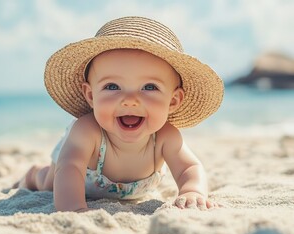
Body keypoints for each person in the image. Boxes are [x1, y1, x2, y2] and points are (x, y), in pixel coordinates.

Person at [13, 16, 224, 212]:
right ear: (91, 95)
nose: (130, 99)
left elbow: (189, 167)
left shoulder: (165, 137)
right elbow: (70, 167)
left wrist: (192, 191)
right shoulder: (87, 131)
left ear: (173, 100)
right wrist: (73, 208)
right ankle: (32, 174)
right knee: (47, 182)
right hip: (68, 173)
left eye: (149, 87)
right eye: (112, 86)